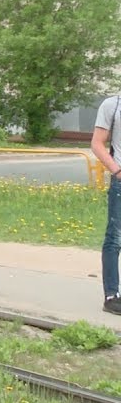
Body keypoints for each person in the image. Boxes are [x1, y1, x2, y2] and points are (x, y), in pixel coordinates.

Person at [89, 93, 121, 315]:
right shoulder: (113, 104)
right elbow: (97, 143)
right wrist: (117, 171)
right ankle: (112, 296)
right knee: (115, 238)